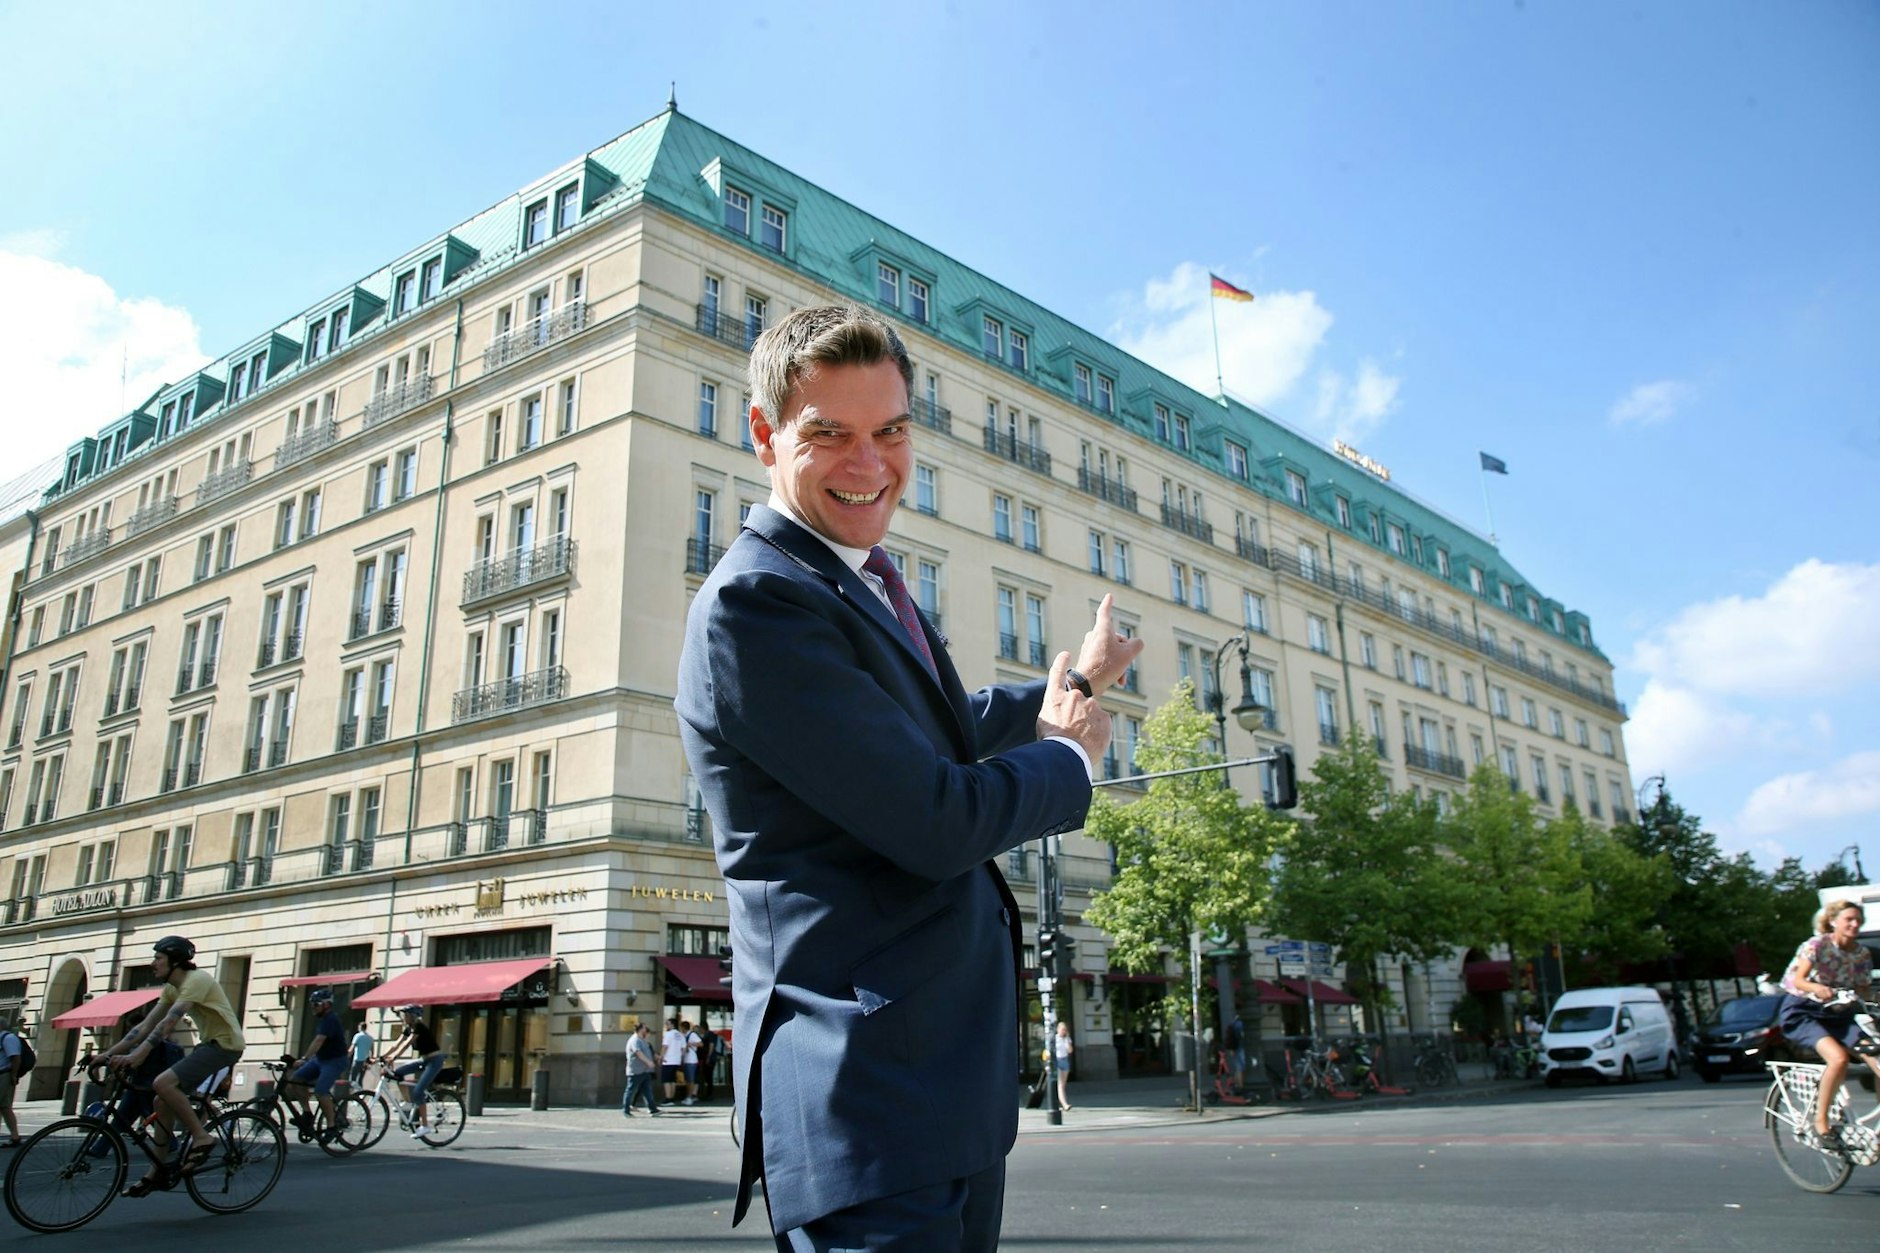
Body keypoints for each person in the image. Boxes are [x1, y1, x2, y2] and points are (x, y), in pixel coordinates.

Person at [676, 303, 1141, 1246]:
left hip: (935, 1096)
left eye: (890, 432)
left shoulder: (859, 579)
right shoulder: (757, 604)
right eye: (830, 434)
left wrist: (1080, 678)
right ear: (763, 434)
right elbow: (935, 816)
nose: (870, 464)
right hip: (864, 1100)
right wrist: (1068, 762)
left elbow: (941, 729)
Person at [98, 936, 244, 1195]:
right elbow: (145, 1026)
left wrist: (138, 1056)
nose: (153, 964)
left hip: (225, 1046)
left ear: (175, 962)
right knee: (160, 1101)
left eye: (158, 959)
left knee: (162, 1083)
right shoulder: (171, 988)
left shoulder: (196, 980)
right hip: (208, 1045)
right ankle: (156, 1173)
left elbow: (167, 1024)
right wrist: (107, 1054)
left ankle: (202, 1136)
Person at [1779, 898, 1879, 1147]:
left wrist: (1872, 998)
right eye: (1849, 919)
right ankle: (1820, 1123)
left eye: (1858, 920)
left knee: (1876, 1055)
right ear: (1833, 921)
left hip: (1840, 1014)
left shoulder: (1861, 953)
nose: (1855, 924)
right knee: (1838, 1058)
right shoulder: (1817, 945)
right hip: (1804, 1011)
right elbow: (1799, 979)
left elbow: (1863, 988)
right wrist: (1818, 988)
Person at [283, 989, 348, 1144]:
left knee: (320, 1091)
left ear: (326, 1005)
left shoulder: (331, 1019)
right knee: (295, 1080)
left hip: (335, 1061)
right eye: (312, 1005)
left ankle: (332, 1126)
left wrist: (304, 1059)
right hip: (320, 1059)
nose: (313, 1008)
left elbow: (318, 1041)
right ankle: (307, 1114)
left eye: (316, 1005)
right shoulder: (322, 1019)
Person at [378, 1004, 446, 1138]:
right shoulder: (408, 1028)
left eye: (405, 1015)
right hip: (424, 1060)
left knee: (418, 1091)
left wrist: (394, 1057)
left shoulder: (418, 1027)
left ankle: (425, 1126)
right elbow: (396, 1044)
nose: (403, 1017)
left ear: (412, 1016)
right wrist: (380, 1056)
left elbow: (406, 1044)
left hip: (434, 1060)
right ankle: (408, 1103)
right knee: (398, 1073)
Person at [623, 1023, 662, 1117]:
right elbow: (638, 1053)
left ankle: (653, 1109)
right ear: (640, 1029)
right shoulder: (635, 1040)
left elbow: (649, 1052)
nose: (646, 1029)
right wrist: (648, 1062)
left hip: (645, 1071)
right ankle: (626, 1110)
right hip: (636, 1071)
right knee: (630, 1090)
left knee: (647, 1090)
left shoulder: (642, 1040)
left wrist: (656, 1058)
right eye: (644, 1028)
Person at [1, 1012, 24, 1147]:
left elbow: (15, 1057)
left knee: (4, 1106)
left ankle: (15, 1136)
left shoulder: (8, 1038)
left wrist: (13, 1075)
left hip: (4, 1074)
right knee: (4, 1107)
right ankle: (15, 1137)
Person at [660, 1017, 685, 1105]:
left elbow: (665, 1046)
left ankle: (668, 1098)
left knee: (666, 1080)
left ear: (672, 1025)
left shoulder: (668, 1034)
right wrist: (680, 1057)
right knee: (673, 1080)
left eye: (667, 1024)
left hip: (668, 1060)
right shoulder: (680, 1035)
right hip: (676, 1060)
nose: (666, 1025)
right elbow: (683, 1049)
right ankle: (672, 1098)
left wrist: (661, 1056)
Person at [1054, 1021, 1074, 1112]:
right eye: (1062, 1029)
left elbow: (1070, 1051)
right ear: (1058, 1030)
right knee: (1060, 1085)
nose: (1063, 1031)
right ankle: (1065, 1104)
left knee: (1063, 1085)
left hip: (1065, 1061)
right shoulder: (1055, 1039)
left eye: (1065, 1030)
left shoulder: (1067, 1039)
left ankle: (1061, 1103)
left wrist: (1066, 1040)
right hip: (1057, 1061)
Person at [681, 1019, 703, 1106]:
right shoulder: (683, 1035)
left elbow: (701, 1044)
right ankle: (688, 1096)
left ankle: (690, 1097)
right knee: (688, 1080)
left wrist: (691, 1044)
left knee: (691, 1079)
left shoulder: (692, 1034)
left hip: (691, 1060)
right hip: (686, 1060)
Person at [349, 1020, 375, 1086]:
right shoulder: (370, 1038)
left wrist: (347, 1056)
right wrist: (371, 1059)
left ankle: (352, 1094)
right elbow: (372, 1051)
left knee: (353, 1078)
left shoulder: (357, 1036)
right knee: (361, 1079)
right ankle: (361, 1094)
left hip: (357, 1059)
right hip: (365, 1061)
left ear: (360, 1027)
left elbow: (352, 1048)